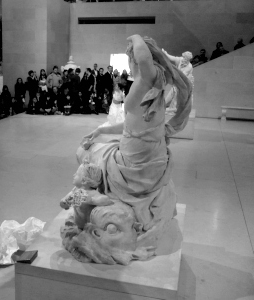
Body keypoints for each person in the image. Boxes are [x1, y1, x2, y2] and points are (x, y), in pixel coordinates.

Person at [75, 35, 192, 263]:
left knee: (84, 153)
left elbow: (145, 63)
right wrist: (101, 130)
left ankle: (85, 203)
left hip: (130, 165)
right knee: (100, 146)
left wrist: (136, 37)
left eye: (130, 58)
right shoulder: (156, 94)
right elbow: (131, 126)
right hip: (149, 160)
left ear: (134, 60)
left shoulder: (145, 85)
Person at [60, 160, 113, 230]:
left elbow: (106, 200)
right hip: (78, 223)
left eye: (77, 174)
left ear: (84, 181)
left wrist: (90, 200)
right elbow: (64, 203)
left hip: (88, 227)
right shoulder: (75, 191)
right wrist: (65, 202)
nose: (74, 175)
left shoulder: (91, 193)